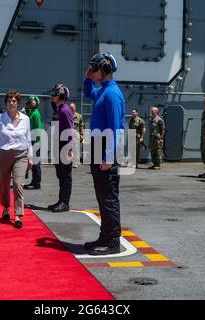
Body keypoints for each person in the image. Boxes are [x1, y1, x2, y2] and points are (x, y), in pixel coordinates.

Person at [83, 52, 125, 255]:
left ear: (106, 69)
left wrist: (109, 157)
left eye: (95, 67)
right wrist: (87, 78)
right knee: (102, 196)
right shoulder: (102, 91)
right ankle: (105, 235)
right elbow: (87, 93)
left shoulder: (112, 94)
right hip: (98, 145)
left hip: (106, 148)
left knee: (108, 197)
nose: (92, 70)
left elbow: (116, 128)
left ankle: (113, 241)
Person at [0, 91, 33, 229]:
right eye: (9, 101)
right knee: (4, 184)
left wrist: (30, 157)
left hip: (21, 155)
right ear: (6, 103)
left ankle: (18, 214)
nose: (12, 103)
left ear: (18, 103)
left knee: (17, 183)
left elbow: (28, 139)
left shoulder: (25, 119)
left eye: (14, 101)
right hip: (3, 155)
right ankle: (5, 208)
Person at [47, 84, 74, 213]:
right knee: (60, 174)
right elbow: (54, 106)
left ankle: (65, 202)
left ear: (61, 96)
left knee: (65, 175)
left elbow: (70, 130)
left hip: (65, 144)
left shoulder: (65, 110)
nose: (52, 96)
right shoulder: (59, 108)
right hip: (59, 143)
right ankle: (61, 200)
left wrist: (69, 149)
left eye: (55, 94)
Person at [24, 96, 43, 190]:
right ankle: (34, 181)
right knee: (33, 163)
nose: (27, 103)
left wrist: (36, 143)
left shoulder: (36, 114)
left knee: (36, 163)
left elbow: (38, 129)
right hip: (31, 141)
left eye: (29, 102)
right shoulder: (31, 112)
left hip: (35, 141)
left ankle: (37, 183)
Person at [69, 103, 85, 168]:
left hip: (76, 133)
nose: (71, 109)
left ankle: (75, 163)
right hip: (68, 133)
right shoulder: (67, 115)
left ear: (75, 108)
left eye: (72, 108)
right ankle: (68, 162)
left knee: (76, 148)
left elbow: (81, 126)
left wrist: (82, 135)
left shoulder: (79, 116)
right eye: (70, 108)